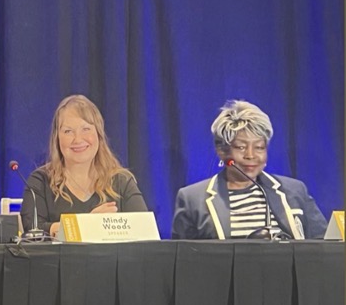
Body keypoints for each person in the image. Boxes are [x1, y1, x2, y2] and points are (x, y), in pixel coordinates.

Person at [172, 100, 327, 240]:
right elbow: (183, 260)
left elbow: (323, 245)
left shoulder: (294, 190)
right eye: (241, 147)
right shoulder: (192, 198)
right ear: (222, 150)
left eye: (259, 147)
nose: (251, 155)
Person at [20, 94, 147, 237]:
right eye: (68, 131)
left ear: (98, 134)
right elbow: (32, 230)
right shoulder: (41, 181)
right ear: (57, 138)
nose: (78, 139)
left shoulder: (121, 181)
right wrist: (88, 224)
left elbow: (143, 231)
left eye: (86, 129)